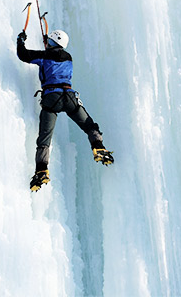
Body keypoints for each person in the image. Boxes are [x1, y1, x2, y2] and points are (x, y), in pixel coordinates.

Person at [17, 28, 114, 191]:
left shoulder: (44, 55)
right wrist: (48, 45)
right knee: (89, 125)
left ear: (52, 42)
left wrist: (21, 41)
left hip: (51, 99)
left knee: (44, 138)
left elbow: (24, 55)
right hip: (69, 98)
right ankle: (98, 147)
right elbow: (54, 56)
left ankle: (41, 170)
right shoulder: (68, 58)